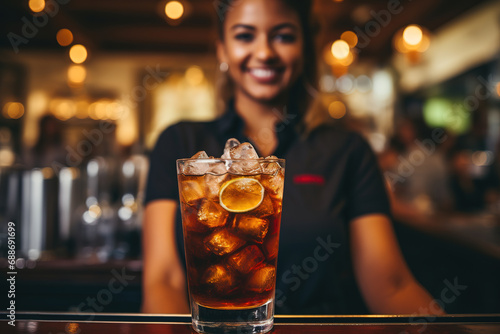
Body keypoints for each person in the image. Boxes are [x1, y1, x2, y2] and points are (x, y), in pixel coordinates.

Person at [142, 0, 444, 315]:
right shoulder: (179, 143)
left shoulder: (347, 151)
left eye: (283, 36)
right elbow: (163, 280)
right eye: (245, 36)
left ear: (305, 49)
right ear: (222, 50)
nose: (264, 53)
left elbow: (391, 285)